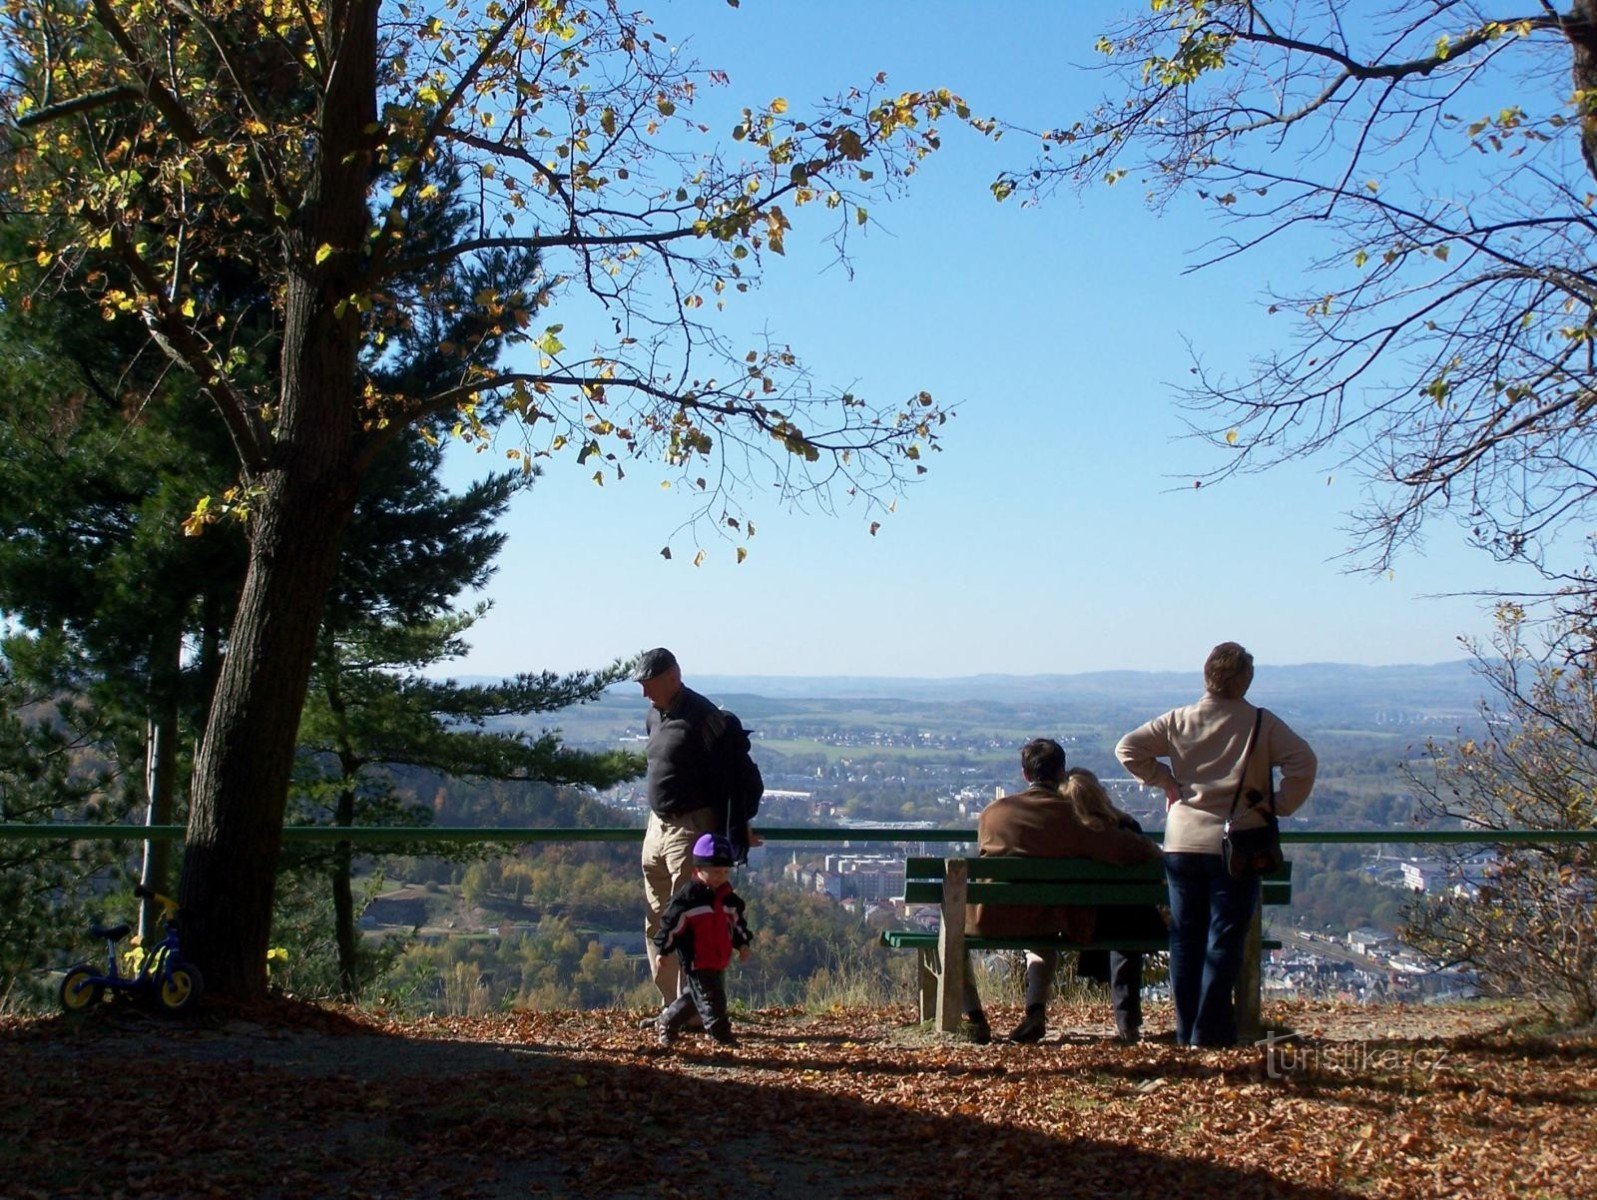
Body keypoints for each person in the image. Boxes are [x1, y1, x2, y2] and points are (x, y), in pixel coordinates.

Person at [1116, 641, 1317, 1048]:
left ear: (1206, 675)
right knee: (1223, 938)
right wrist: (1278, 805)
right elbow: (1304, 762)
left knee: (1185, 939)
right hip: (1240, 844)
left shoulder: (1180, 720)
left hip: (1182, 841)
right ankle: (1210, 1033)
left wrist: (1167, 782)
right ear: (1245, 680)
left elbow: (1128, 749)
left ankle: (1186, 1028)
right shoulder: (1262, 724)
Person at [962, 738, 1164, 1045]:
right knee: (1041, 929)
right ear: (1061, 772)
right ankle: (1035, 1011)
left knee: (951, 934)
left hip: (990, 918)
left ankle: (974, 1017)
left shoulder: (993, 814)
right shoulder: (1078, 817)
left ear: (1025, 774)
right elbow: (1132, 852)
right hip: (1052, 919)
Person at [636, 647, 752, 1007]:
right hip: (658, 827)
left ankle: (695, 1008)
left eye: (649, 684)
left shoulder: (704, 718)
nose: (644, 693)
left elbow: (738, 776)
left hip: (692, 829)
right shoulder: (655, 715)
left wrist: (739, 825)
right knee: (659, 918)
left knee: (691, 921)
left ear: (673, 676)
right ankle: (670, 1006)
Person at [652, 833, 752, 1047]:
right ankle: (722, 1035)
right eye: (715, 872)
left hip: (718, 958)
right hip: (697, 959)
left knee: (695, 999)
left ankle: (668, 1021)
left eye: (725, 871)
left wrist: (743, 943)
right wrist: (663, 949)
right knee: (712, 1000)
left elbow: (737, 924)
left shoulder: (728, 899)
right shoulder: (688, 899)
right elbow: (672, 924)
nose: (721, 876)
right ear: (698, 870)